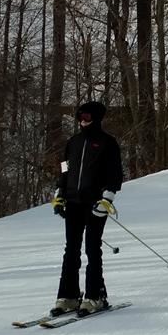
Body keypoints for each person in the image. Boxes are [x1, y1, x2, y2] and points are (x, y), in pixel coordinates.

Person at [51, 99, 124, 315]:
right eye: (79, 117)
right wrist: (59, 194)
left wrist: (107, 199)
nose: (82, 121)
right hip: (73, 202)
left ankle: (95, 295)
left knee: (92, 248)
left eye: (87, 117)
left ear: (96, 118)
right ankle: (69, 296)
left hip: (95, 204)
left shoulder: (107, 143)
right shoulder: (73, 142)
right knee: (71, 250)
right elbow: (65, 169)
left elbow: (115, 174)